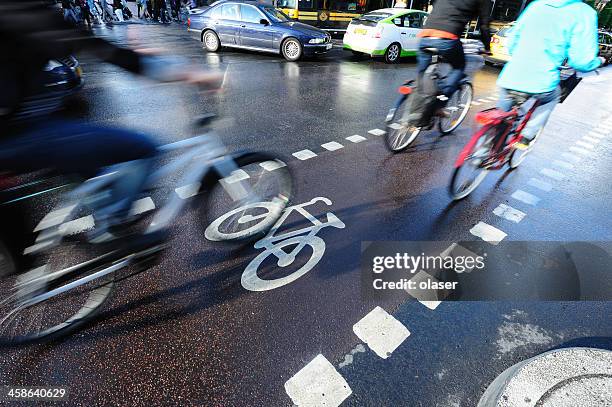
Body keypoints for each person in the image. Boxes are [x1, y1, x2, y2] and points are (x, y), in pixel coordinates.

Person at [0, 0, 220, 243]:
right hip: (19, 132)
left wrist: (141, 56)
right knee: (143, 148)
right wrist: (189, 73)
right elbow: (98, 49)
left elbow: (75, 48)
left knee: (103, 175)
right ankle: (110, 230)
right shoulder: (22, 9)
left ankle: (99, 225)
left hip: (25, 126)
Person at [496, 0, 606, 149]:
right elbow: (581, 61)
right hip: (542, 80)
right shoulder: (583, 12)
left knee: (500, 115)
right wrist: (598, 61)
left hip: (510, 74)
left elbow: (512, 42)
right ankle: (526, 136)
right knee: (552, 97)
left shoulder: (537, 5)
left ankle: (485, 149)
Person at [416, 0, 492, 97]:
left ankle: (417, 92)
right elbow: (484, 26)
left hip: (426, 34)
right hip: (447, 37)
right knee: (459, 67)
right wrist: (487, 48)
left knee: (421, 74)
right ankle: (440, 102)